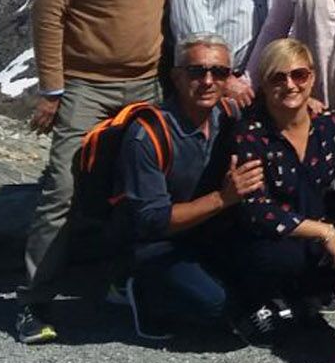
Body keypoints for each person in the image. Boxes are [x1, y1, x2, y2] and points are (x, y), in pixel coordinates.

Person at [19, 0, 177, 345]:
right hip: (87, 85)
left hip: (147, 86)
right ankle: (33, 301)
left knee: (142, 190)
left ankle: (124, 279)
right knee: (62, 190)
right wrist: (52, 89)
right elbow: (47, 15)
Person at [110, 36, 288, 342]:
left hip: (209, 234)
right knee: (215, 306)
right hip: (158, 244)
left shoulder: (229, 116)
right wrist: (224, 198)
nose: (208, 81)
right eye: (196, 72)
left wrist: (308, 103)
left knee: (269, 274)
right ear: (177, 76)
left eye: (219, 72)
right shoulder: (147, 135)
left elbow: (282, 112)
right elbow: (153, 220)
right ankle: (142, 291)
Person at [222, 37, 335, 335]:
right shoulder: (249, 133)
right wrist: (323, 231)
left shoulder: (327, 124)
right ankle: (270, 298)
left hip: (316, 230)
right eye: (278, 77)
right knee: (292, 258)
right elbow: (257, 210)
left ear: (311, 78)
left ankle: (309, 295)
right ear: (263, 83)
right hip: (270, 238)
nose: (290, 85)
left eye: (299, 75)